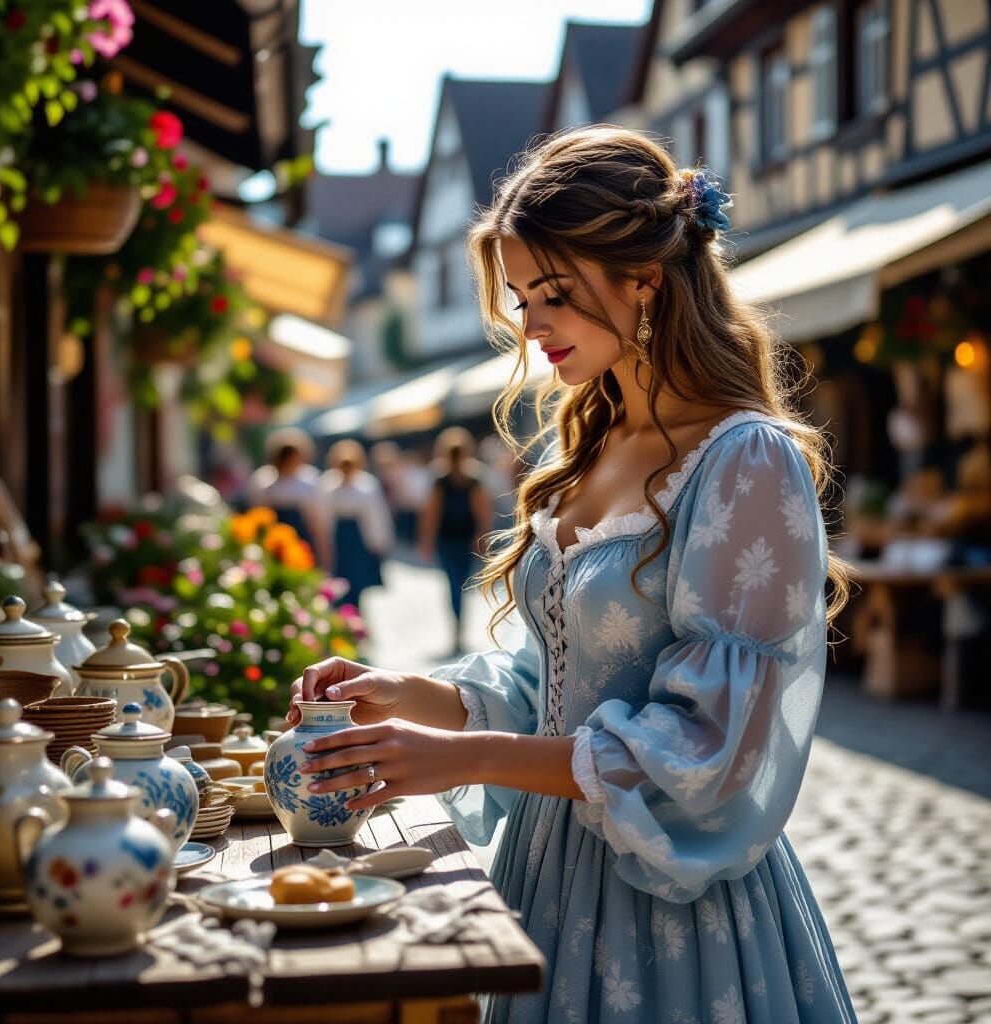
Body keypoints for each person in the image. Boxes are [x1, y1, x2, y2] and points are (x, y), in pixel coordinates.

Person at [288, 127, 856, 1023]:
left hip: (672, 912)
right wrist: (403, 694)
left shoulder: (746, 461)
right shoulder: (582, 448)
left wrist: (459, 758)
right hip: (544, 875)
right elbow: (543, 685)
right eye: (519, 298)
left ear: (646, 279)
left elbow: (708, 747)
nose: (530, 324)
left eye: (551, 293)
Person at [418, 426, 494, 655]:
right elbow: (483, 515)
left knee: (454, 587)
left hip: (450, 540)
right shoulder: (472, 478)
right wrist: (483, 540)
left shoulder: (443, 479)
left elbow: (431, 514)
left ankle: (457, 630)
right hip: (461, 539)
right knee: (460, 586)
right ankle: (459, 631)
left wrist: (426, 541)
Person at [318, 439, 394, 610]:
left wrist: (379, 542)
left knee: (358, 580)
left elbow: (376, 515)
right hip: (340, 537)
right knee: (341, 578)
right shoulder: (328, 484)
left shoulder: (366, 484)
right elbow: (324, 517)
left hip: (358, 538)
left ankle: (354, 611)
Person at [245, 428, 333, 572]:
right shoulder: (263, 480)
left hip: (302, 543)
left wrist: (325, 556)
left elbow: (319, 522)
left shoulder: (309, 480)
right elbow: (257, 515)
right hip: (273, 544)